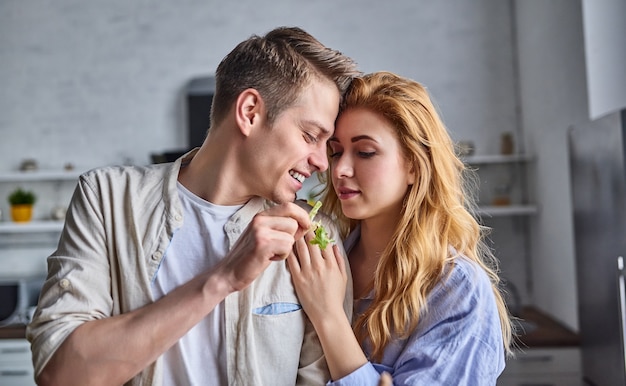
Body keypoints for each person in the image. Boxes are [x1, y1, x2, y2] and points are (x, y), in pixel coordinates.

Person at [26, 26, 361, 386]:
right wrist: (222, 278)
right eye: (310, 136)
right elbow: (60, 375)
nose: (322, 163)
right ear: (249, 112)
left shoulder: (314, 237)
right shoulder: (107, 199)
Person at [288, 71, 515, 385]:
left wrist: (328, 315)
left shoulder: (457, 290)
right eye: (336, 151)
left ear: (413, 164)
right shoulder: (317, 258)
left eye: (365, 152)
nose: (340, 169)